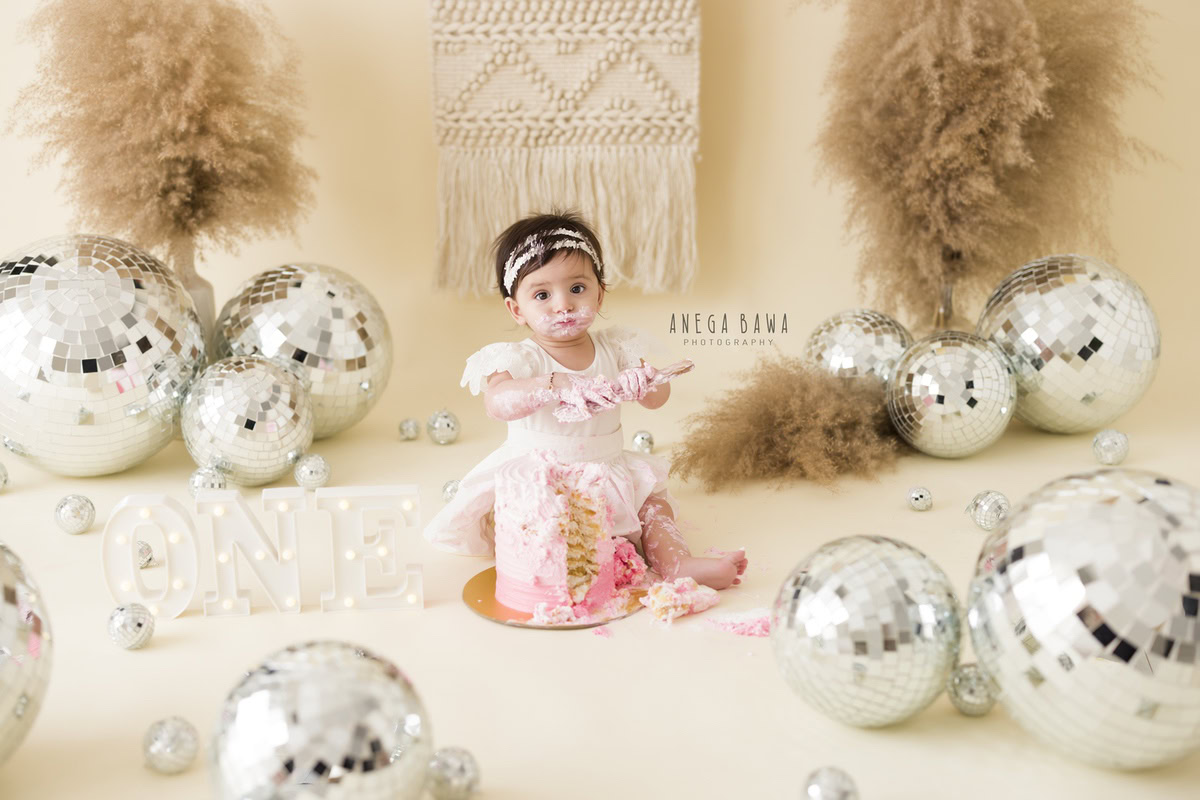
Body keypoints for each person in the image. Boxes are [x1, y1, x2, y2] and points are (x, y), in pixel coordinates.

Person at [424, 211, 746, 590]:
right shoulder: (519, 359)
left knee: (652, 508)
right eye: (542, 295)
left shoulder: (616, 347)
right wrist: (551, 384)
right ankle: (562, 564)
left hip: (606, 466)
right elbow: (498, 403)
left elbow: (658, 400)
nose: (563, 305)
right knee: (551, 527)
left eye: (577, 289)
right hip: (541, 477)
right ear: (517, 310)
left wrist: (646, 381)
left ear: (599, 292)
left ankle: (677, 562)